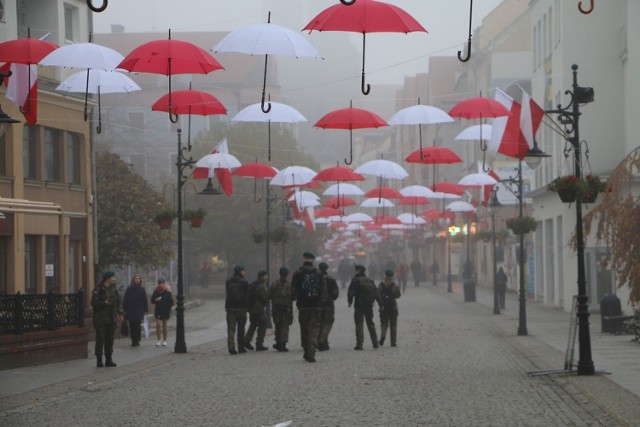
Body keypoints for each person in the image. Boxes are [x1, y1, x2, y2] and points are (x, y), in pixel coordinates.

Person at [291, 251, 326, 363]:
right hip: (316, 305)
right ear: (312, 260)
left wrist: (295, 299)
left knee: (304, 328)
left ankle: (306, 350)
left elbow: (293, 289)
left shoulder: (298, 273)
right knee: (314, 329)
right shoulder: (318, 273)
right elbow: (323, 289)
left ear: (303, 259)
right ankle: (311, 352)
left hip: (303, 305)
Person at [348, 264, 383, 350]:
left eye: (355, 270)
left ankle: (359, 344)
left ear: (358, 271)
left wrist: (350, 302)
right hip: (369, 305)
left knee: (359, 324)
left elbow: (350, 292)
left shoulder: (355, 280)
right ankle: (375, 343)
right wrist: (381, 303)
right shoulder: (370, 280)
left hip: (359, 306)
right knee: (370, 323)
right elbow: (376, 293)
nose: (354, 271)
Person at [91, 271, 123, 367]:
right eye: (113, 277)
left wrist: (120, 313)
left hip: (111, 318)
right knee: (100, 339)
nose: (114, 279)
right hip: (100, 319)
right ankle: (99, 360)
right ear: (107, 278)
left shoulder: (113, 289)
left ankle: (109, 359)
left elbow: (118, 301)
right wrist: (104, 303)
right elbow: (93, 304)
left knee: (110, 340)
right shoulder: (98, 289)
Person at [225, 265, 249, 355]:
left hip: (230, 308)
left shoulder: (228, 281)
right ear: (240, 272)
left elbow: (227, 292)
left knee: (231, 329)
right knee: (241, 328)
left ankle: (231, 346)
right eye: (243, 271)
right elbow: (247, 294)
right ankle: (241, 347)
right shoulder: (244, 282)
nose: (244, 272)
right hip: (241, 308)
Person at [269, 266, 294, 352]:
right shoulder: (290, 285)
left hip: (276, 308)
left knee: (278, 325)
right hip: (287, 309)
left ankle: (278, 342)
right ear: (287, 275)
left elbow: (270, 295)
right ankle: (283, 344)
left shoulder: (275, 284)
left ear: (279, 274)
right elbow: (294, 297)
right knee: (285, 326)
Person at [244, 270, 270, 352]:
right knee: (263, 325)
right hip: (259, 309)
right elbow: (264, 298)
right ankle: (259, 344)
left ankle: (246, 341)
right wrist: (266, 301)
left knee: (253, 324)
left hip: (252, 309)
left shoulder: (253, 284)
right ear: (261, 277)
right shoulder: (262, 286)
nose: (267, 278)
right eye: (265, 276)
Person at [317, 261, 339, 351]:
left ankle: (320, 341)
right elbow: (335, 294)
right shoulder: (331, 279)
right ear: (327, 269)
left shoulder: (316, 279)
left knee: (318, 323)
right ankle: (322, 340)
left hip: (317, 305)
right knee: (327, 323)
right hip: (328, 304)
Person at [122, 273, 148, 347]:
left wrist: (145, 310)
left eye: (138, 279)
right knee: (132, 325)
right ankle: (133, 340)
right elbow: (125, 300)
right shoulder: (129, 289)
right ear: (133, 280)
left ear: (140, 280)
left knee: (137, 325)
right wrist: (125, 310)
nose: (137, 280)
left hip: (139, 310)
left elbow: (144, 300)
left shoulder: (142, 289)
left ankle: (137, 340)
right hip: (131, 310)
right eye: (136, 278)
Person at [378, 269, 401, 347]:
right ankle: (393, 342)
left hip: (383, 307)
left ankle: (383, 336)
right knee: (393, 325)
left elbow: (378, 295)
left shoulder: (381, 285)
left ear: (385, 275)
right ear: (392, 276)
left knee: (384, 323)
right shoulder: (395, 285)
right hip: (393, 307)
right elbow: (398, 295)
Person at [151, 279, 174, 347]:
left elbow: (171, 302)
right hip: (158, 310)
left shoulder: (167, 292)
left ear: (164, 284)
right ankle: (158, 340)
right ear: (158, 284)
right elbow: (152, 301)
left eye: (162, 283)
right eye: (160, 283)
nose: (161, 285)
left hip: (165, 310)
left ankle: (165, 340)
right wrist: (156, 300)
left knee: (164, 325)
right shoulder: (156, 292)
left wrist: (169, 309)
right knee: (158, 324)